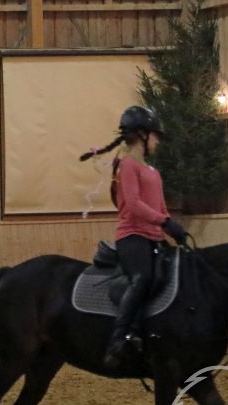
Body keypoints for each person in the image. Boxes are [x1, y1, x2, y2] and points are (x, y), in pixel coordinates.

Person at [80, 106, 188, 369]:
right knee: (143, 278)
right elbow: (133, 203)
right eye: (155, 135)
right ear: (142, 135)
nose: (158, 141)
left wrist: (173, 228)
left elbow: (161, 207)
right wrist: (164, 221)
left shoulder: (153, 172)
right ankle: (119, 338)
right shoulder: (128, 165)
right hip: (132, 238)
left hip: (154, 238)